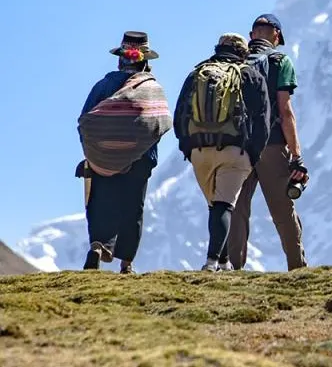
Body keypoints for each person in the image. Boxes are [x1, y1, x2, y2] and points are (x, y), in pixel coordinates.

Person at [173, 33, 270, 271]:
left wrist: (189, 147)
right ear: (242, 52)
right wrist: (251, 155)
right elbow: (263, 121)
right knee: (224, 205)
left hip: (199, 150)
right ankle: (212, 261)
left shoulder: (196, 74)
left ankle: (224, 262)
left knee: (215, 206)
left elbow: (179, 116)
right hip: (234, 150)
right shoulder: (250, 75)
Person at [76, 31, 171, 274]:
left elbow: (85, 121)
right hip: (140, 158)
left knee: (102, 202)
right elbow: (160, 123)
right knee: (133, 207)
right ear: (145, 61)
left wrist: (94, 152)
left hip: (102, 158)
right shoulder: (152, 88)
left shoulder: (103, 85)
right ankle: (126, 263)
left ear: (120, 59)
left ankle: (98, 246)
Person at [227, 13, 309, 271]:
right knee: (283, 210)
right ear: (276, 35)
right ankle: (296, 267)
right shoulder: (280, 61)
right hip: (271, 146)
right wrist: (296, 156)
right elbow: (285, 112)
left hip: (236, 147)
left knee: (238, 209)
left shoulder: (234, 62)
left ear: (252, 35)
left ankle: (234, 268)